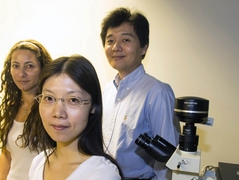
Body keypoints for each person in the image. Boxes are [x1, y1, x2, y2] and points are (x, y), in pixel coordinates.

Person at [100, 7, 181, 179]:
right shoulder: (107, 90)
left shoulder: (157, 93)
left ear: (143, 48)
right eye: (110, 40)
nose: (116, 47)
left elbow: (167, 160)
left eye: (126, 40)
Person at [29, 55, 123, 180]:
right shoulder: (39, 162)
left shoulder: (101, 173)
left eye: (73, 100)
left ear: (94, 106)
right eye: (49, 98)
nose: (58, 112)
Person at [0, 39, 53, 180]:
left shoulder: (51, 108)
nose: (21, 74)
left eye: (29, 66)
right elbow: (6, 154)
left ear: (43, 69)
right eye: (16, 66)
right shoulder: (12, 107)